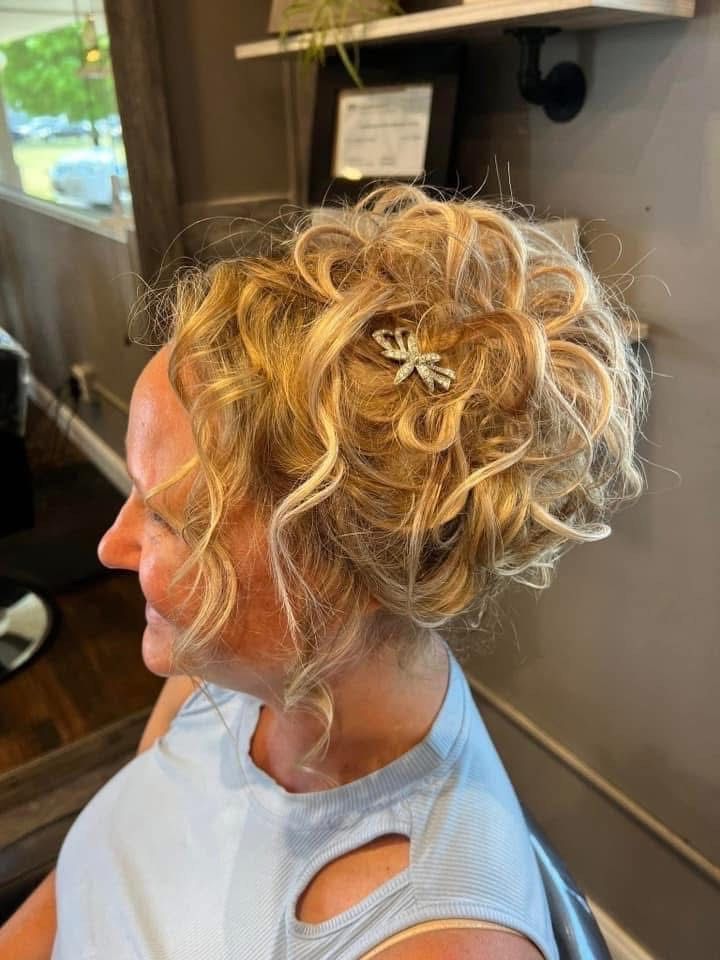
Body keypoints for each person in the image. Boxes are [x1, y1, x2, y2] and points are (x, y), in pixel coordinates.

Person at [1, 182, 647, 960]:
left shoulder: (432, 942)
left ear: (344, 575)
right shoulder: (230, 675)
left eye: (172, 518)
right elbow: (107, 865)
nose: (112, 545)